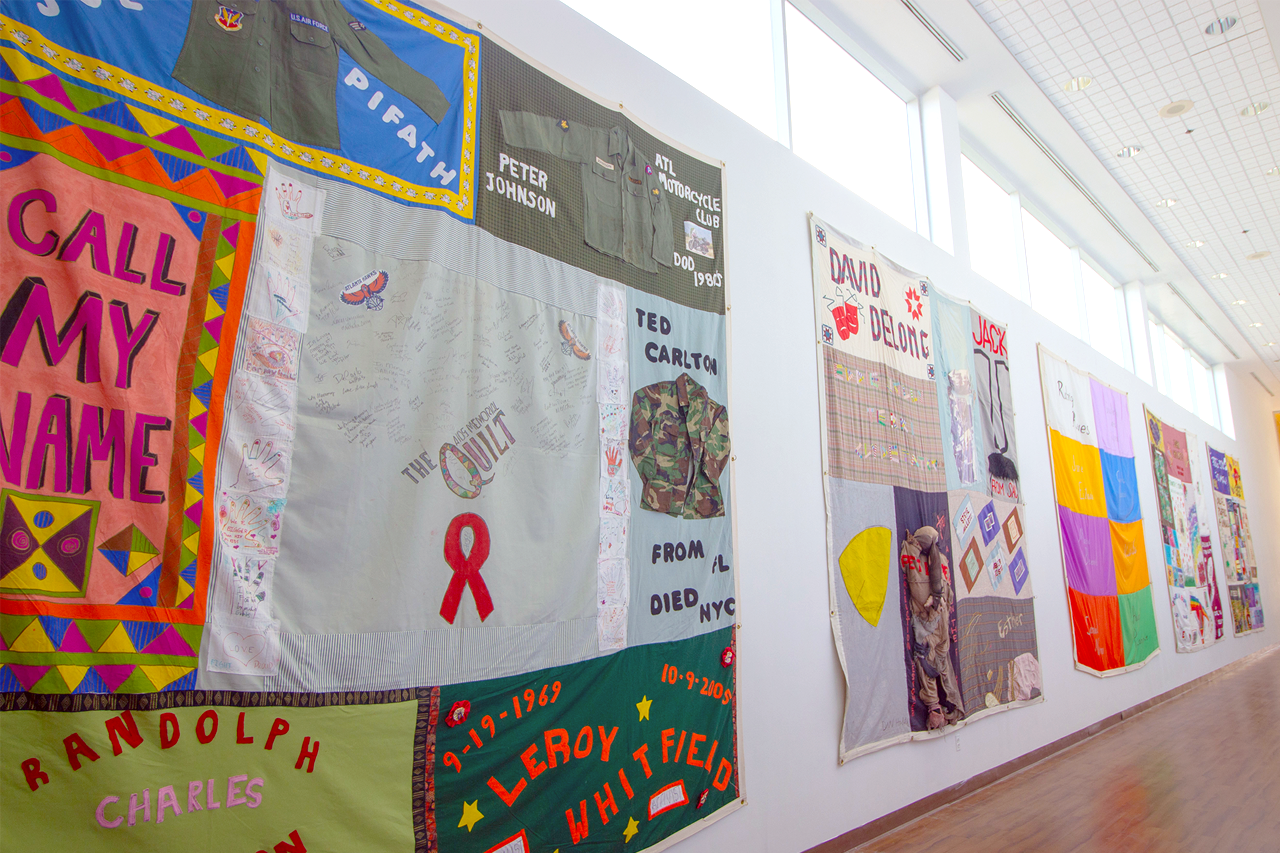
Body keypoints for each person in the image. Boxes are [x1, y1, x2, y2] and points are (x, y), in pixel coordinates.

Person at [901, 526, 965, 730]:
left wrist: (912, 543)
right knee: (940, 661)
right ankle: (950, 706)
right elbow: (949, 594)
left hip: (930, 622)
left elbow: (908, 557)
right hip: (939, 619)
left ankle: (936, 709)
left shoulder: (916, 559)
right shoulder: (941, 560)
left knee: (926, 663)